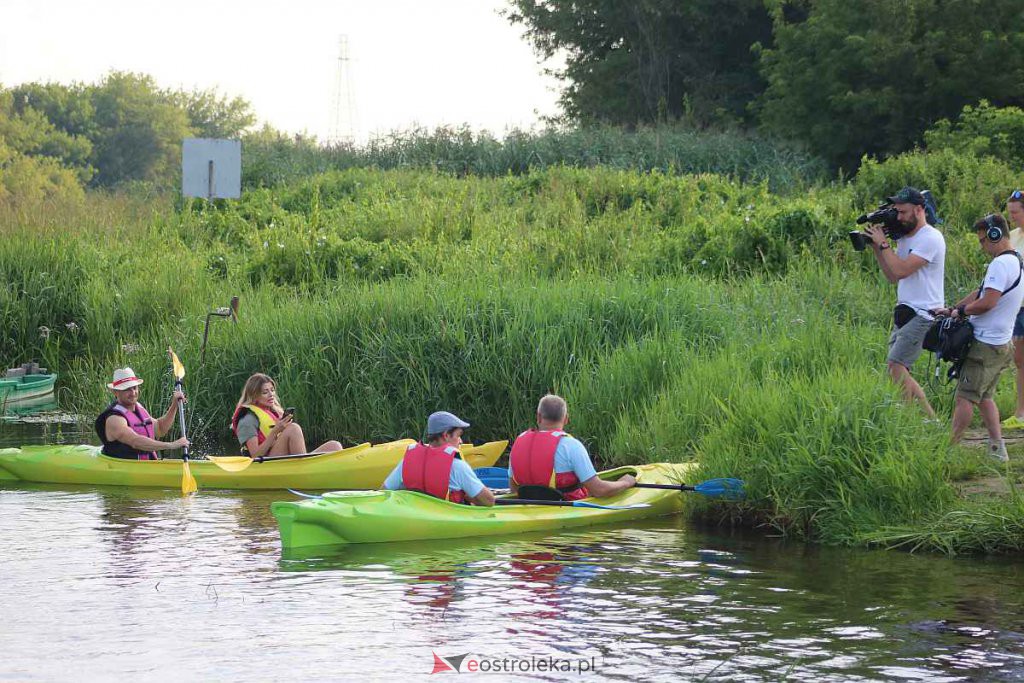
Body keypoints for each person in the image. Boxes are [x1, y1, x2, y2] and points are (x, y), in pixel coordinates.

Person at [937, 213, 1024, 459]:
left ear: (996, 235)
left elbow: (987, 302)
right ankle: (998, 449)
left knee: (965, 398)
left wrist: (960, 311)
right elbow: (981, 292)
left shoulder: (999, 264)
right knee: (985, 397)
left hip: (985, 346)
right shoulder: (1015, 260)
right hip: (1001, 343)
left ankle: (947, 451)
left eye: (983, 240)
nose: (982, 246)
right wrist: (953, 308)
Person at [865, 186, 946, 418]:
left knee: (896, 365)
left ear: (919, 210)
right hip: (906, 311)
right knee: (898, 371)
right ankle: (916, 422)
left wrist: (883, 245)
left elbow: (901, 270)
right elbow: (892, 276)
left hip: (924, 313)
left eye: (903, 212)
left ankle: (928, 419)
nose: (899, 217)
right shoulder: (905, 239)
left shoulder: (930, 238)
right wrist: (877, 249)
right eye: (897, 212)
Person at [508, 394, 635, 500]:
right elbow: (599, 490)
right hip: (563, 505)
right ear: (566, 419)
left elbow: (514, 489)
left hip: (526, 507)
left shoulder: (519, 440)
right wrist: (626, 483)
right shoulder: (571, 445)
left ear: (538, 417)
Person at [382, 411, 495, 506]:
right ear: (446, 435)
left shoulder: (406, 463)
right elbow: (489, 501)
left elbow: (384, 491)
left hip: (415, 521)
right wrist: (470, 497)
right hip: (449, 524)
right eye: (458, 435)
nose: (461, 441)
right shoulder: (457, 466)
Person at [230, 373, 342, 458]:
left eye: (272, 390)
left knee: (335, 446)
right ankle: (305, 469)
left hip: (283, 459)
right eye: (265, 392)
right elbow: (254, 456)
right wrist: (275, 431)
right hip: (264, 464)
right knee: (294, 428)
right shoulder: (247, 419)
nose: (271, 395)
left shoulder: (273, 412)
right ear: (254, 396)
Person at [94, 367, 189, 460]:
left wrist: (174, 405)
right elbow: (135, 441)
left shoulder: (138, 408)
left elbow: (160, 429)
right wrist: (171, 445)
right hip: (124, 468)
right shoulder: (114, 419)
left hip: (146, 465)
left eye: (134, 388)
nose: (133, 393)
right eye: (127, 389)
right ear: (115, 392)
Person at [1002, 190, 1024, 429]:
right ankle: (1021, 414)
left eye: (1016, 213)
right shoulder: (1014, 236)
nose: (1012, 218)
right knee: (1019, 360)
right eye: (1010, 214)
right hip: (1018, 307)